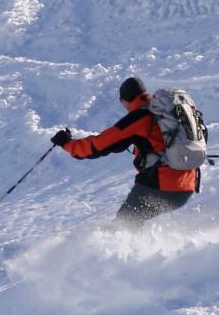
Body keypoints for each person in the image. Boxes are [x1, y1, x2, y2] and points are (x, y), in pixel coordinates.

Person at [50, 77, 198, 228]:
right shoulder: (164, 112)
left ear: (124, 100)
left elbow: (97, 146)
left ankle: (118, 251)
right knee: (130, 223)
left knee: (122, 226)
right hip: (186, 187)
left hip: (160, 187)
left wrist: (67, 144)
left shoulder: (139, 118)